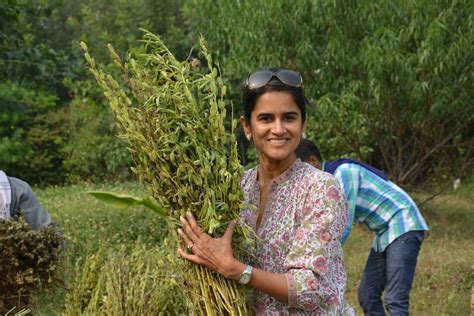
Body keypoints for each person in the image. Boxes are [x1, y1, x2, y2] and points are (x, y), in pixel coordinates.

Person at [178, 68, 353, 314]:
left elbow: (309, 290)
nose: (279, 129)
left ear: (303, 124)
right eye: (266, 118)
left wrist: (235, 269)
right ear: (247, 126)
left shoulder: (321, 189)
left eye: (289, 117)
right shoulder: (236, 188)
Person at [295, 139, 429, 315]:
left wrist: (323, 261)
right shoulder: (326, 185)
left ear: (312, 162)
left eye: (300, 170)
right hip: (385, 233)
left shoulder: (343, 173)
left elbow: (343, 223)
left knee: (395, 301)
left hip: (403, 223)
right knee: (367, 294)